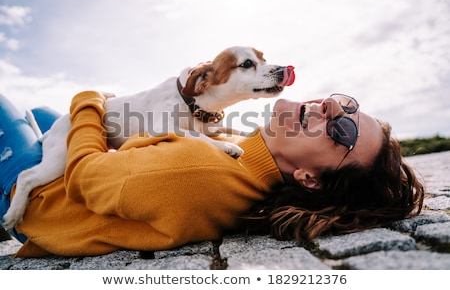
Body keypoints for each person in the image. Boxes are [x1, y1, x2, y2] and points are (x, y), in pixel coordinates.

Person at [0, 91, 424, 257]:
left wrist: (91, 101)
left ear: (309, 178)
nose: (329, 109)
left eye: (341, 130)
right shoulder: (244, 149)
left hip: (37, 201)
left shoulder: (201, 172)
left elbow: (87, 178)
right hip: (58, 173)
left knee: (11, 107)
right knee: (41, 114)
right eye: (344, 105)